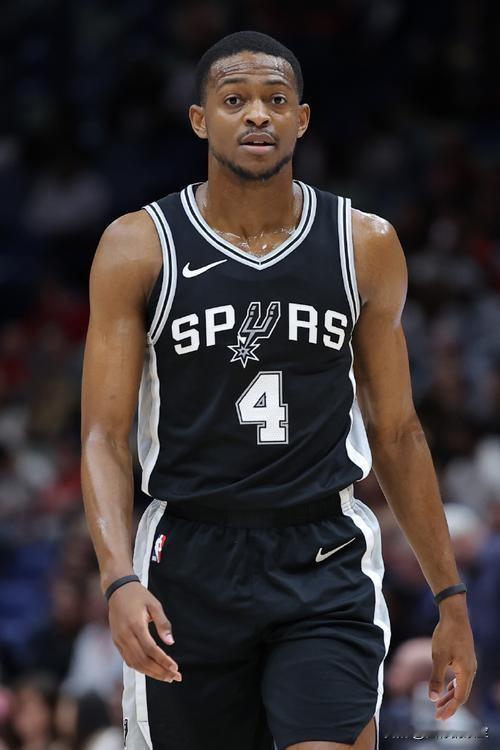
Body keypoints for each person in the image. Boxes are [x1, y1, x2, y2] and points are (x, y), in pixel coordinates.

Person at [81, 30, 476, 750]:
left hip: (322, 554)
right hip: (189, 554)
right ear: (200, 120)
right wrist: (115, 578)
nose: (257, 114)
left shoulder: (363, 243)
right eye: (234, 100)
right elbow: (104, 436)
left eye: (276, 99)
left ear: (302, 119)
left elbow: (397, 432)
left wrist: (450, 596)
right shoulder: (139, 246)